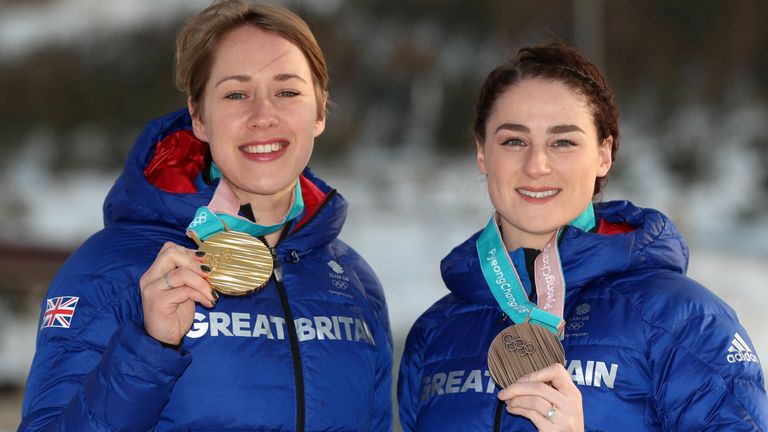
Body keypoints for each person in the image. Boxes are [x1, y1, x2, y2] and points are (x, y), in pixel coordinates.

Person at [19, 1, 392, 431]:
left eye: (287, 91)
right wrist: (149, 347)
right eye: (236, 93)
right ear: (198, 116)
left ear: (320, 112)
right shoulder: (109, 269)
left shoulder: (355, 283)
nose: (263, 116)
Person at [397, 43, 767, 431]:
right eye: (513, 141)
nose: (536, 165)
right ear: (482, 152)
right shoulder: (436, 332)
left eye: (563, 142)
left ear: (604, 153)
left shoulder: (682, 320)